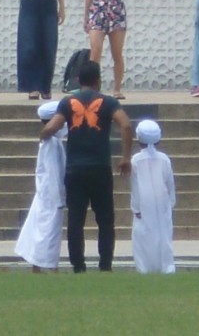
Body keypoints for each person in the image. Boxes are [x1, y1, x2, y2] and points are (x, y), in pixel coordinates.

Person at [40, 61, 133, 273]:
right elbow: (126, 125)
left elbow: (53, 127)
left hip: (75, 169)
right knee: (105, 219)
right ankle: (105, 265)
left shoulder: (68, 102)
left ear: (78, 81)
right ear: (98, 80)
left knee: (75, 220)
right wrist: (125, 157)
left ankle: (78, 266)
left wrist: (43, 134)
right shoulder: (108, 102)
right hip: (100, 167)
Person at [15, 101, 67, 273]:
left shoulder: (52, 141)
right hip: (51, 196)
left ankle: (38, 267)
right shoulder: (52, 143)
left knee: (40, 230)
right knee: (49, 233)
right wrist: (59, 199)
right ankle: (51, 268)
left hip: (46, 194)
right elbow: (52, 173)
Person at [130, 119, 176, 274]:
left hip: (143, 204)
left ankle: (144, 268)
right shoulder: (164, 159)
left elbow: (135, 186)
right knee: (163, 235)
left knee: (143, 237)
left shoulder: (136, 160)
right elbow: (170, 183)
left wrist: (135, 207)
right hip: (162, 204)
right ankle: (166, 267)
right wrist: (171, 203)